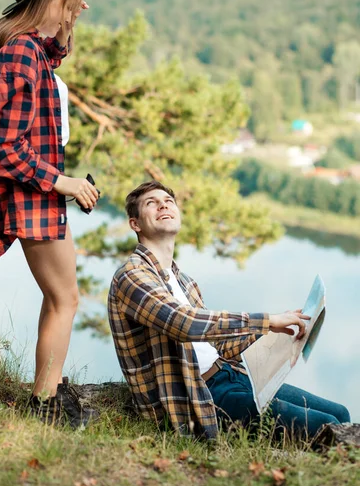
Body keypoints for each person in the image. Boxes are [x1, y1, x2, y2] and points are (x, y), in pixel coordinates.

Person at [0, 0, 100, 428]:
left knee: (62, 296)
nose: (79, 9)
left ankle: (48, 393)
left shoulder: (26, 49)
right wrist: (64, 182)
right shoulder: (20, 53)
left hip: (37, 194)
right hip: (32, 196)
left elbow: (47, 64)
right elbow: (2, 147)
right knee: (66, 297)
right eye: (73, 1)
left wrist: (63, 29)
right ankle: (45, 404)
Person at [108, 181, 350, 439]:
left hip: (231, 376)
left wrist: (280, 330)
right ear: (135, 224)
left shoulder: (183, 281)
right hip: (199, 396)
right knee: (328, 426)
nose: (163, 205)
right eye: (151, 203)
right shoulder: (132, 275)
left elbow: (220, 344)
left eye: (168, 200)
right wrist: (267, 321)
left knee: (341, 414)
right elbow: (184, 324)